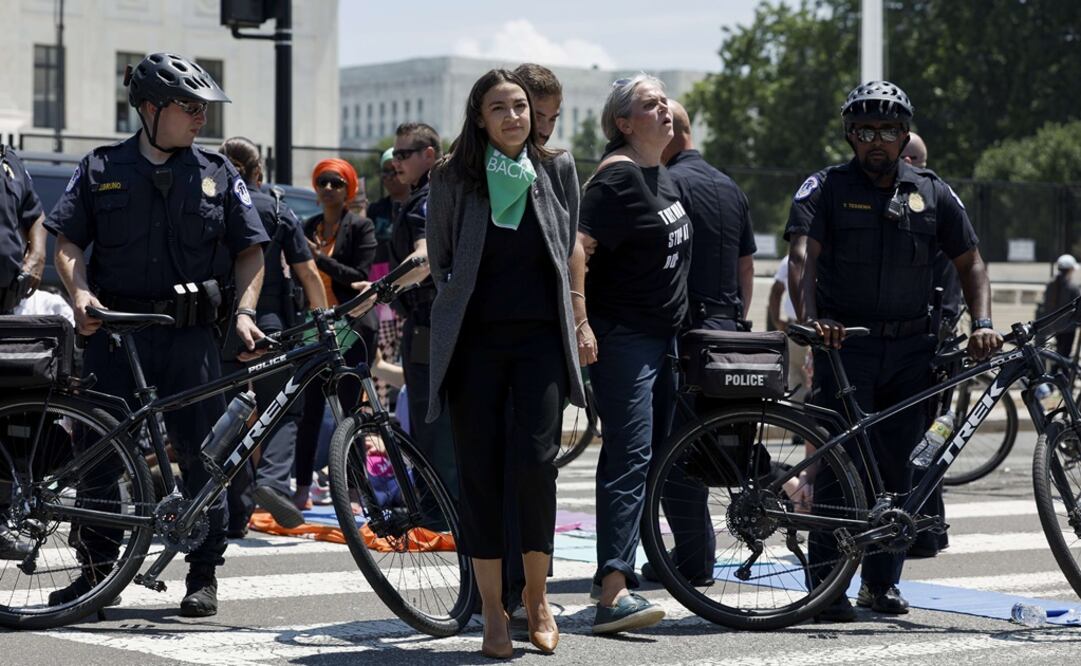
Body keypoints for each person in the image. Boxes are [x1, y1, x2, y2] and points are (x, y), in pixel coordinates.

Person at [46, 52, 269, 617]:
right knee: (99, 453)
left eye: (204, 108)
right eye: (189, 107)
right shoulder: (99, 167)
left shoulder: (219, 173)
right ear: (150, 109)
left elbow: (251, 252)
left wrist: (244, 312)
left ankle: (202, 574)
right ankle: (97, 574)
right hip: (115, 332)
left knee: (205, 454)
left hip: (191, 336)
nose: (201, 117)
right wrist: (79, 293)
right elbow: (66, 242)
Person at [801, 80, 1002, 622]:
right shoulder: (826, 187)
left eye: (888, 131)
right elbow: (805, 258)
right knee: (842, 468)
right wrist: (812, 319)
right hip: (849, 348)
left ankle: (881, 584)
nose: (877, 142)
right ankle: (827, 589)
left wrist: (984, 322)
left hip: (914, 352)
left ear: (904, 134)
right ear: (849, 135)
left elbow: (972, 263)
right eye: (865, 131)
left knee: (899, 472)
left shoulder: (933, 191)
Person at [423, 68, 585, 658]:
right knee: (481, 474)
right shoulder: (451, 176)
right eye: (500, 108)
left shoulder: (558, 167)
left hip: (539, 341)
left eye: (520, 106)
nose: (514, 116)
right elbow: (440, 258)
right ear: (480, 117)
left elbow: (568, 244)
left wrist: (580, 314)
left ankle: (536, 599)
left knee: (536, 467)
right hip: (475, 345)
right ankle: (492, 611)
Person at [577, 74, 691, 634]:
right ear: (624, 122)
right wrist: (582, 323)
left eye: (664, 100)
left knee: (646, 460)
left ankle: (616, 576)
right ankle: (613, 595)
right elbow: (578, 253)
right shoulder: (615, 179)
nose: (664, 108)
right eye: (650, 104)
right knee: (629, 458)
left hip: (662, 339)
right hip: (625, 338)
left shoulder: (659, 173)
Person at [637, 99, 754, 587]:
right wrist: (736, 319)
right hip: (730, 331)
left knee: (674, 453)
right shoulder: (730, 186)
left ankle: (693, 560)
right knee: (712, 447)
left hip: (687, 334)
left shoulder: (669, 184)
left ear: (673, 135)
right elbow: (747, 265)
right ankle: (696, 556)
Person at [218, 137, 327, 536]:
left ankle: (233, 511)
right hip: (268, 322)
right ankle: (273, 482)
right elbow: (307, 271)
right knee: (280, 409)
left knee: (226, 417)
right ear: (258, 172)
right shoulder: (277, 208)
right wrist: (322, 318)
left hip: (219, 323)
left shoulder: (214, 204)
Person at [353, 123, 458, 500]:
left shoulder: (429, 198)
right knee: (432, 418)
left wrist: (378, 292)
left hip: (429, 322)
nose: (395, 163)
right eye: (394, 155)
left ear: (428, 154)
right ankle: (440, 504)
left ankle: (437, 509)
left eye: (403, 154)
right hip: (431, 321)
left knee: (432, 422)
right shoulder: (436, 193)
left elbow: (423, 258)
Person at [295, 159, 378, 509]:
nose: (328, 188)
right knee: (310, 408)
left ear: (348, 190)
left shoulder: (361, 227)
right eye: (323, 182)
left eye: (336, 183)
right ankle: (301, 488)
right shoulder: (308, 226)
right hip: (316, 326)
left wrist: (318, 258)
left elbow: (357, 274)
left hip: (352, 327)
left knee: (350, 409)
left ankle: (355, 490)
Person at [901, 131, 957, 559]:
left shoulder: (929, 200)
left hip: (930, 343)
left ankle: (925, 529)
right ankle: (928, 527)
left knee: (922, 441)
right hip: (935, 339)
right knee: (924, 440)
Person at [0, 143, 47, 559]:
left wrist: (35, 257)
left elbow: (35, 216)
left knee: (7, 414)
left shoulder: (9, 159)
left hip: (5, 303)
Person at [514, 63, 562, 145]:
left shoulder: (561, 158)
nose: (546, 131)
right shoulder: (485, 156)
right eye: (537, 117)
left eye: (552, 119)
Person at [1043, 254, 1080, 356]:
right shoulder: (1072, 287)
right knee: (1066, 353)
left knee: (1058, 351)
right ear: (1070, 269)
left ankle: (1055, 369)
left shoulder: (1051, 284)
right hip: (1069, 326)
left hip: (1053, 325)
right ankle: (1063, 371)